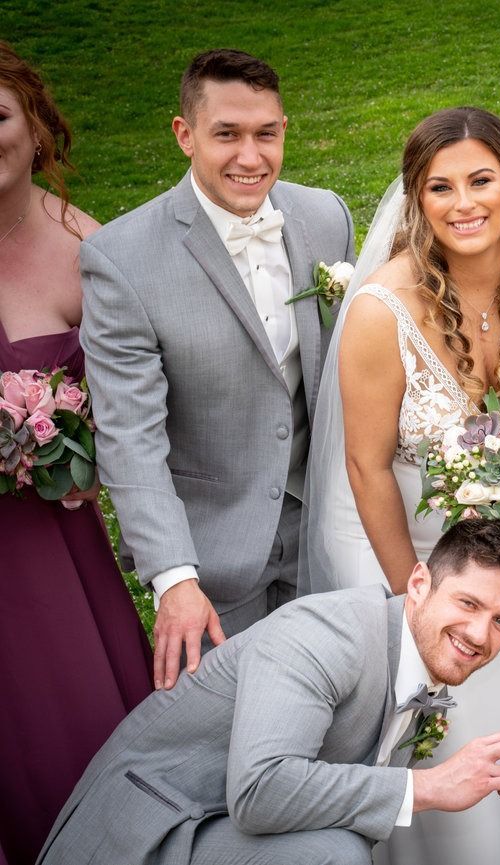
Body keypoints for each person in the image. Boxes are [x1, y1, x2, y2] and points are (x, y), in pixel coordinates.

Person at [303, 106, 500, 864]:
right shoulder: (382, 311)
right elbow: (365, 466)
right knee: (437, 714)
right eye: (441, 187)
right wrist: (413, 587)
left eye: (480, 180)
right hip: (397, 538)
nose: (464, 203)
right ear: (417, 199)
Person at [37, 520, 500, 865]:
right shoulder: (325, 637)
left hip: (217, 821)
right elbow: (261, 791)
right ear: (418, 583)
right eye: (468, 603)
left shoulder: (415, 649)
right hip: (148, 834)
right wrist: (429, 788)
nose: (480, 634)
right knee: (336, 855)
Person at [79, 49, 355, 691]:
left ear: (285, 127)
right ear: (185, 134)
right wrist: (175, 578)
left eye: (266, 133)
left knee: (336, 716)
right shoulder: (120, 258)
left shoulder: (325, 217)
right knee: (225, 739)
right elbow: (130, 436)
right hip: (211, 556)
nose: (250, 157)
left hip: (327, 534)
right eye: (226, 134)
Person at [0, 42, 152, 865]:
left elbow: (139, 411)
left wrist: (74, 450)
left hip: (51, 554)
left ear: (36, 129)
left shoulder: (89, 250)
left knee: (67, 743)